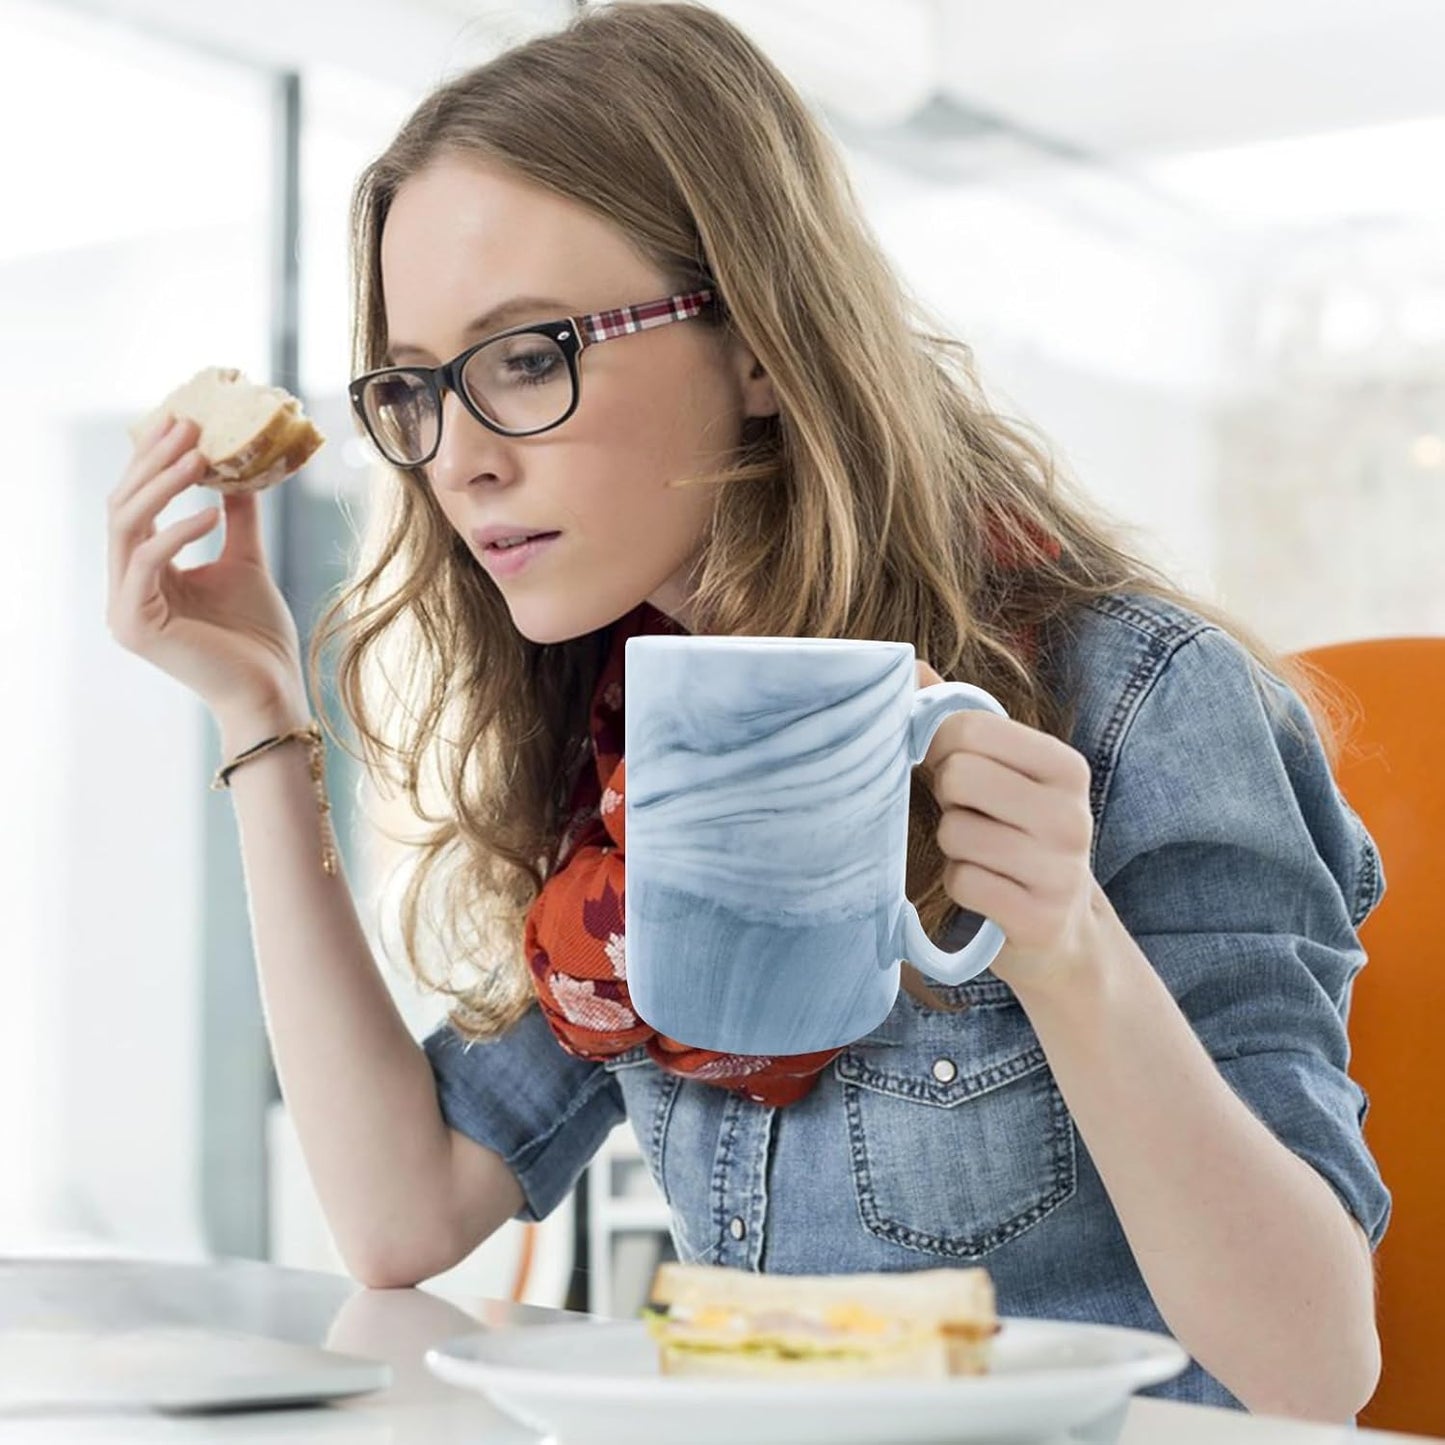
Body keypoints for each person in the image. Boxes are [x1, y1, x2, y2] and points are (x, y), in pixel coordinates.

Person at [106, 1, 1388, 1421]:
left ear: (760, 343)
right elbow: (406, 1206)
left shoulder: (1140, 702)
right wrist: (258, 710)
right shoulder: (624, 737)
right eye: (417, 388)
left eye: (527, 357)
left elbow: (1312, 1365)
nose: (456, 459)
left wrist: (1067, 951)